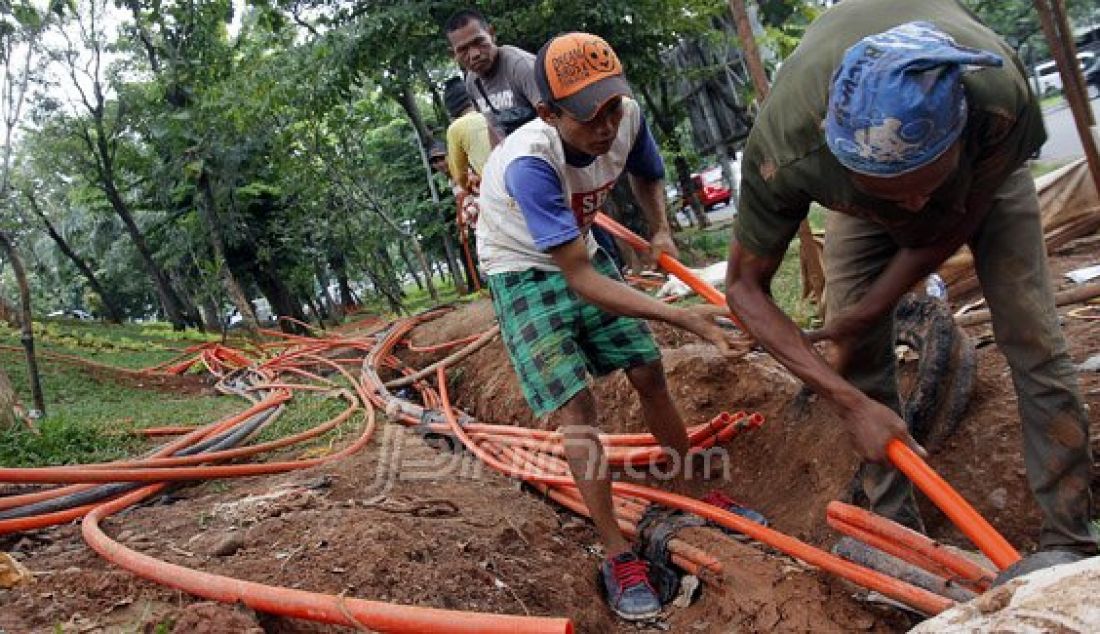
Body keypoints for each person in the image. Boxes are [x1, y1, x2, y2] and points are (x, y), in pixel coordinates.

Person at [724, 0, 1097, 574]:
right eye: (895, 192)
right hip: (862, 199)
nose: (915, 207)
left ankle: (1070, 540)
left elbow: (951, 221)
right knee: (856, 361)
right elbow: (744, 289)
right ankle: (901, 539)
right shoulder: (789, 148)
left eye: (925, 183)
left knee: (1035, 339)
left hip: (977, 190)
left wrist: (876, 305)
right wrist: (850, 403)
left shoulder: (996, 98)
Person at [477, 32, 745, 620]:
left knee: (648, 369)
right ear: (548, 112)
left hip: (579, 248)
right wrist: (683, 316)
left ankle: (700, 496)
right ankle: (618, 552)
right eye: (589, 115)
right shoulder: (529, 164)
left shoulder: (629, 119)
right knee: (578, 408)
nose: (606, 126)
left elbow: (646, 172)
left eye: (612, 106)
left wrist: (662, 229)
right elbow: (577, 275)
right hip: (522, 264)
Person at [445, 9, 541, 146]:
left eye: (479, 42)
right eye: (463, 50)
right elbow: (493, 128)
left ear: (491, 34)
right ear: (453, 54)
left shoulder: (521, 66)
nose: (474, 54)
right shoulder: (471, 82)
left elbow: (557, 119)